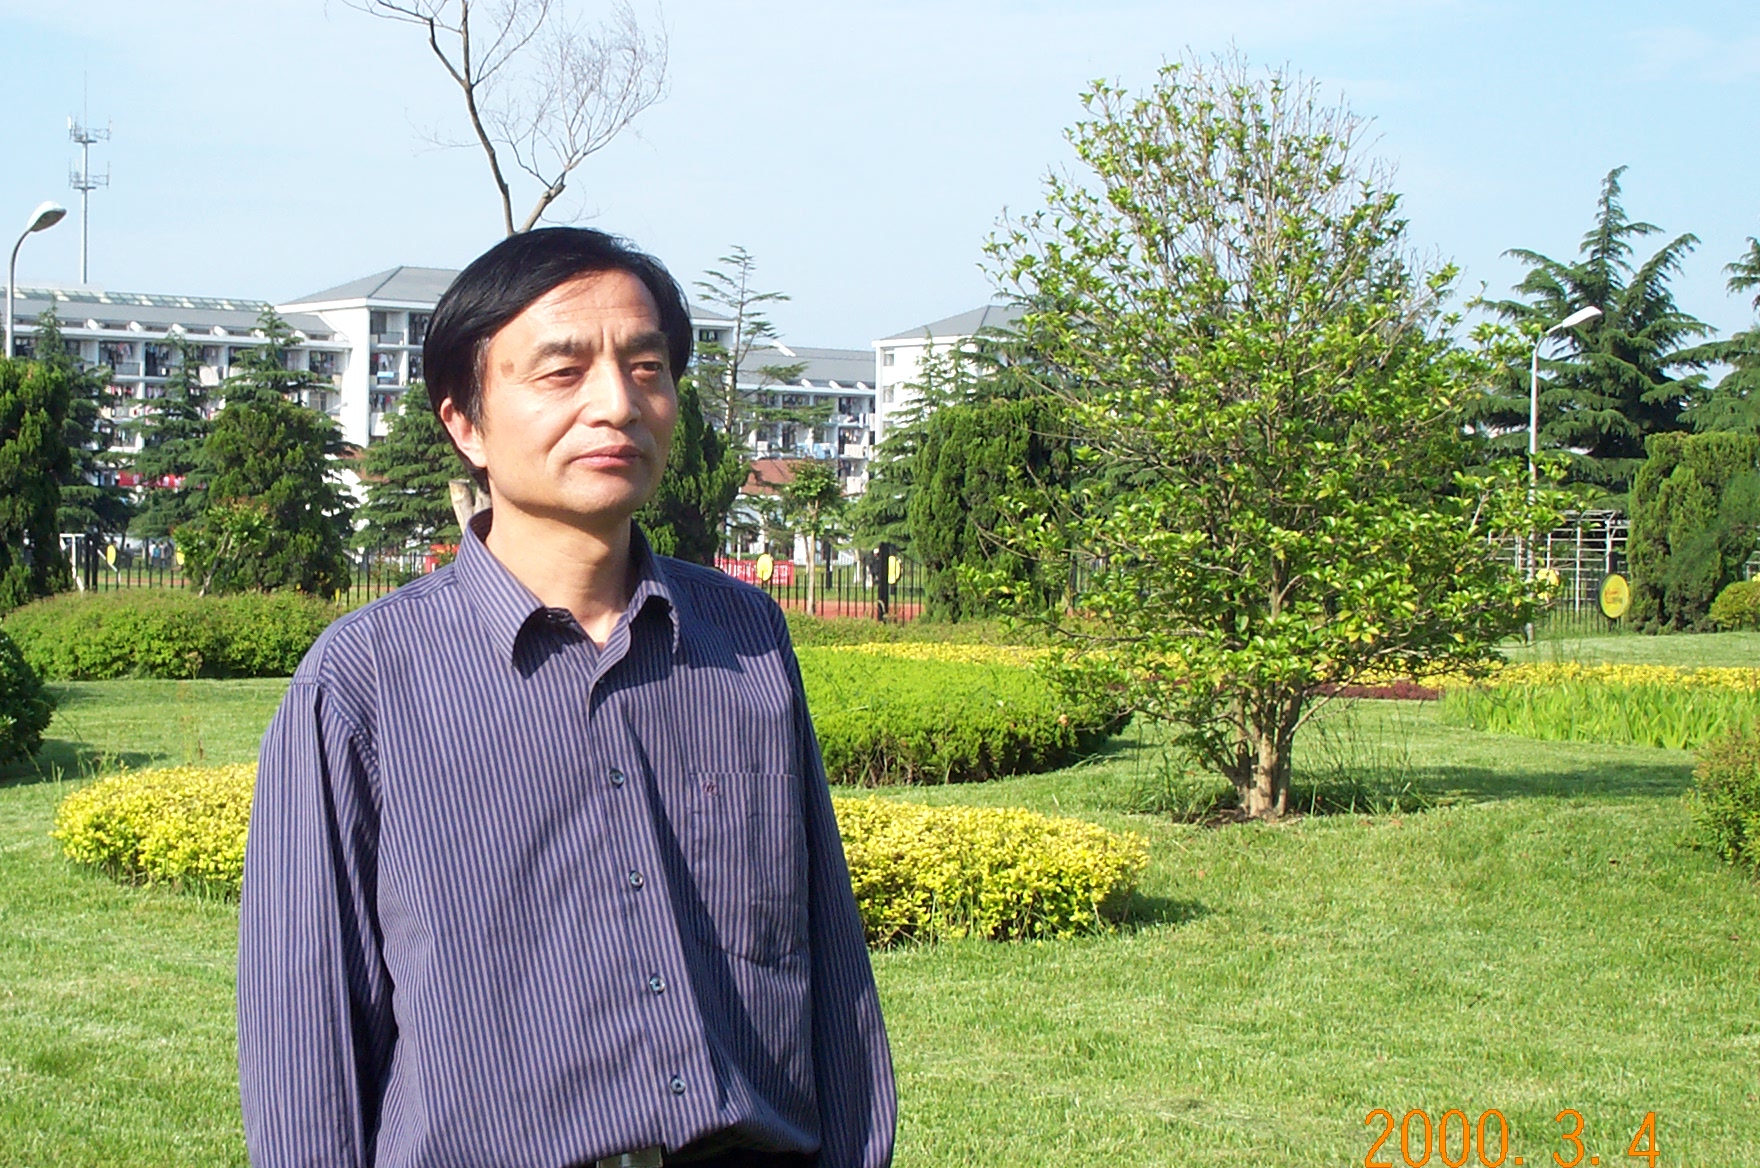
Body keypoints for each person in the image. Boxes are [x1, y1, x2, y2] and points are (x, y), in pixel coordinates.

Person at [237, 228, 896, 1168]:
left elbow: (830, 965)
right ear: (465, 422)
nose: (616, 403)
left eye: (647, 368)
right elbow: (309, 1040)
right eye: (563, 372)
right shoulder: (364, 683)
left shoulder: (744, 638)